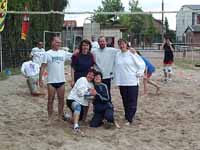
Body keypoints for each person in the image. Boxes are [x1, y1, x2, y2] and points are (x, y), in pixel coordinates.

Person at [39, 36, 73, 122]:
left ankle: (59, 117)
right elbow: (42, 67)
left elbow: (74, 55)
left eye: (60, 42)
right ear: (52, 42)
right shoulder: (47, 53)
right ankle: (49, 117)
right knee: (50, 100)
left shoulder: (63, 53)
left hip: (61, 80)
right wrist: (40, 79)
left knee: (61, 100)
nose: (59, 44)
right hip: (51, 81)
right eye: (57, 42)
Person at [114, 39, 145, 126]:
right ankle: (127, 115)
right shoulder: (117, 54)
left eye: (123, 44)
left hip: (132, 81)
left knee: (132, 100)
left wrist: (139, 73)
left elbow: (142, 64)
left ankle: (130, 118)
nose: (121, 45)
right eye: (119, 44)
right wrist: (117, 81)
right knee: (125, 100)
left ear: (126, 44)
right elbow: (116, 67)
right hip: (122, 81)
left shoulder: (132, 53)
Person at [91, 36, 119, 101]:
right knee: (97, 92)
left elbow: (122, 50)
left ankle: (108, 106)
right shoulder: (94, 51)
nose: (102, 43)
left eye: (103, 41)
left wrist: (131, 50)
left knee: (107, 92)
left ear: (106, 42)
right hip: (97, 76)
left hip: (107, 76)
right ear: (98, 43)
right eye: (100, 41)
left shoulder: (112, 50)